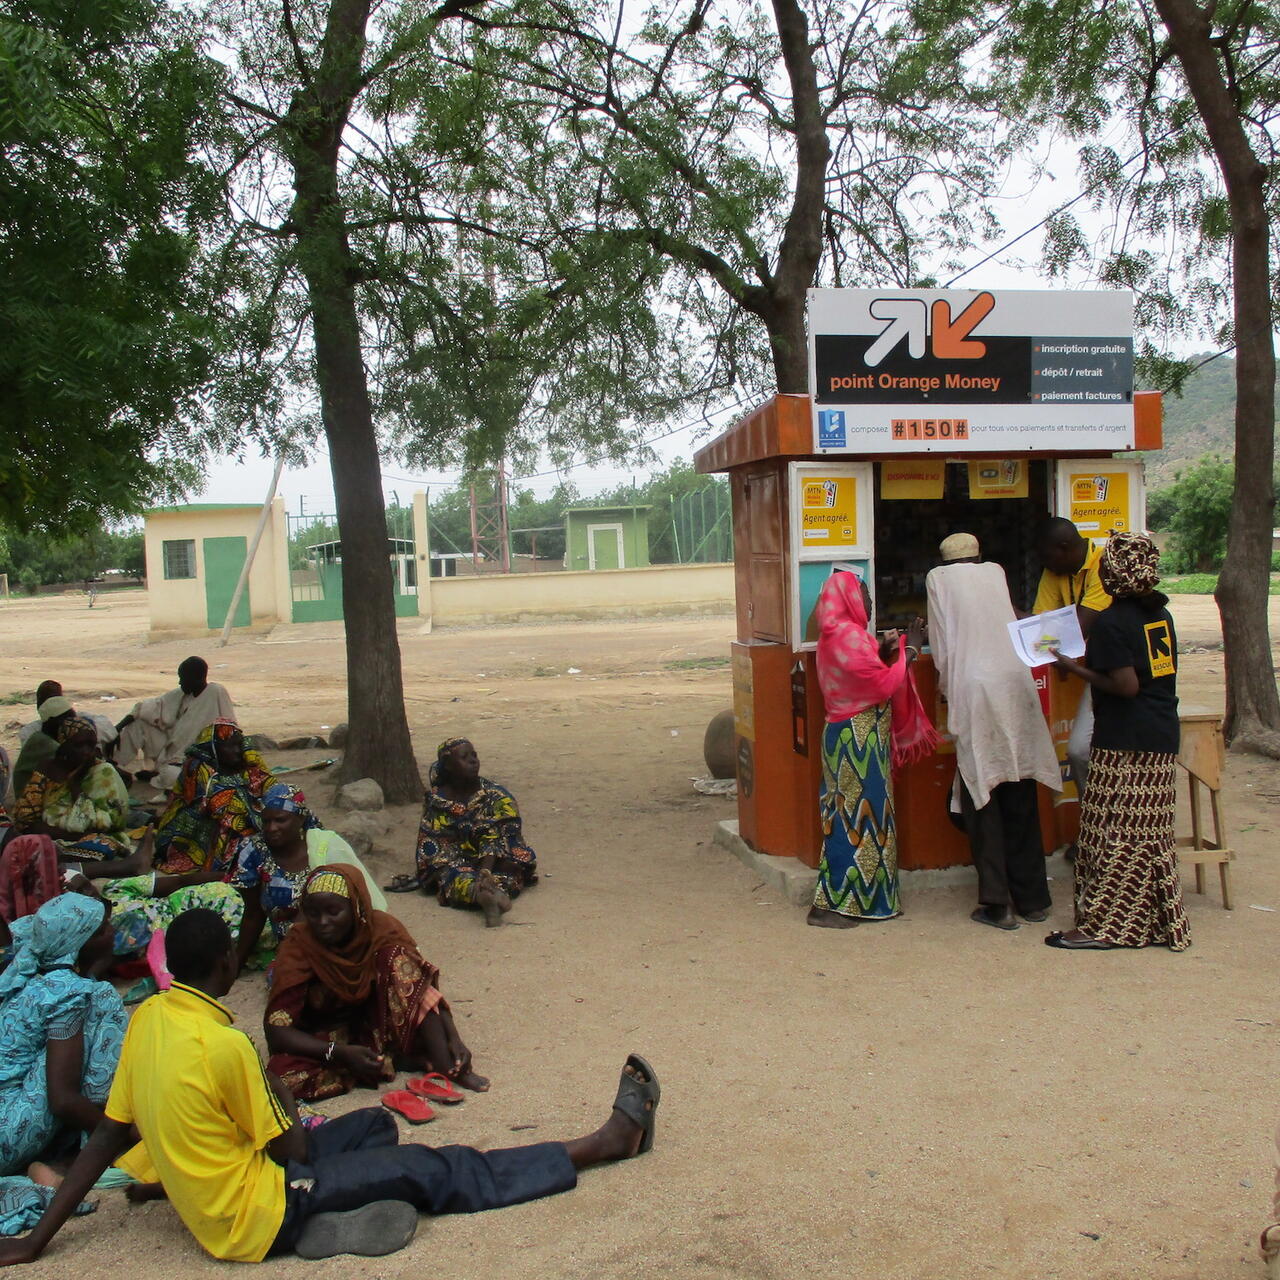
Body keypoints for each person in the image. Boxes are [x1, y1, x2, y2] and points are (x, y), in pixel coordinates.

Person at [0, 907, 660, 1264]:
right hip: (258, 1213)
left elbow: (105, 1138)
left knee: (375, 1125)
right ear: (229, 965)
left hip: (225, 1189)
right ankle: (603, 1145)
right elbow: (288, 1151)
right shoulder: (225, 1044)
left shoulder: (148, 1018)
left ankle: (346, 1202)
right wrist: (280, 1098)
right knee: (433, 1168)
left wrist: (38, 1241)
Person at [1046, 531, 1191, 950]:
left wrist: (1073, 668)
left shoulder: (1113, 621)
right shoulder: (1158, 614)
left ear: (1115, 573)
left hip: (1125, 742)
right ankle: (1156, 922)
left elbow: (1125, 686)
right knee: (1148, 834)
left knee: (1110, 832)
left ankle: (1105, 928)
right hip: (1160, 733)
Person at [926, 533, 1063, 930]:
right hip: (1015, 684)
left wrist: (945, 685)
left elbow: (943, 644)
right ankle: (1034, 900)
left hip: (975, 689)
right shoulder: (996, 571)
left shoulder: (939, 579)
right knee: (1019, 789)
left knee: (982, 796)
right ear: (980, 555)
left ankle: (996, 904)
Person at [264, 865, 484, 1101]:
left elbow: (421, 991)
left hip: (379, 1025)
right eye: (313, 914)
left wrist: (453, 1037)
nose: (323, 922)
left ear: (356, 908)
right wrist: (337, 1052)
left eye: (333, 912)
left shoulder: (381, 929)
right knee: (281, 1080)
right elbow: (277, 1030)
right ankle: (384, 1062)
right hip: (329, 1037)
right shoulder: (299, 946)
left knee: (397, 958)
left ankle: (446, 1063)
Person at [807, 571, 936, 929]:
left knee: (850, 817)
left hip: (845, 738)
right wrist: (911, 650)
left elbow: (863, 674)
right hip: (858, 739)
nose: (869, 601)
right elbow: (881, 683)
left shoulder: (835, 636)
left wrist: (884, 650)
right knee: (858, 820)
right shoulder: (848, 637)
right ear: (848, 598)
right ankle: (837, 906)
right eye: (863, 594)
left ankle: (859, 902)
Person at [0, 895, 124, 1174]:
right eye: (102, 930)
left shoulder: (31, 972)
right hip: (8, 1133)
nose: (112, 931)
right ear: (80, 945)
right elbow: (63, 1100)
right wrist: (124, 1133)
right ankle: (94, 1145)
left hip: (9, 1118)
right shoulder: (66, 994)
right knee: (102, 1001)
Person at [231, 784, 385, 969]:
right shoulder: (255, 851)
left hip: (338, 941)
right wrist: (236, 964)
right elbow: (253, 914)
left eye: (280, 820)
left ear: (300, 818)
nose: (271, 828)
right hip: (291, 950)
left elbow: (357, 905)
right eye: (266, 821)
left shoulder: (326, 847)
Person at [404, 738, 538, 927]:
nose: (473, 760)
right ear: (448, 766)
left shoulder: (497, 797)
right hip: (457, 859)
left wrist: (485, 870)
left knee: (509, 869)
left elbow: (502, 836)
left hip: (497, 859)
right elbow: (433, 844)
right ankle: (486, 894)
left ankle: (482, 891)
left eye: (474, 755)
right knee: (451, 873)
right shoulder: (437, 800)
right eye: (464, 757)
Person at [1034, 517, 1112, 803]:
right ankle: (1094, 828)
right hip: (1095, 674)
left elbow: (1078, 629)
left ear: (1065, 547)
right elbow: (1043, 627)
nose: (1044, 563)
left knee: (1083, 750)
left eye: (1046, 555)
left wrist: (1023, 620)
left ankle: (1101, 829)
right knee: (1080, 751)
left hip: (1116, 672)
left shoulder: (1105, 564)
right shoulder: (1055, 570)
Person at [152, 720, 271, 874]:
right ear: (213, 747)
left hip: (227, 823)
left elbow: (269, 787)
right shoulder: (196, 766)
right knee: (234, 823)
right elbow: (218, 806)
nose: (237, 751)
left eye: (239, 745)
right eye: (230, 746)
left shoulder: (237, 764)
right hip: (189, 834)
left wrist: (250, 755)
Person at [12, 718, 133, 861]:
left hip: (88, 839)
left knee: (104, 846)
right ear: (64, 745)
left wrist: (75, 783)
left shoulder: (102, 772)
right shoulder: (47, 769)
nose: (87, 752)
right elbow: (25, 819)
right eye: (79, 745)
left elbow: (111, 823)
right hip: (53, 838)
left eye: (91, 745)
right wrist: (71, 835)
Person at [114, 657, 235, 789]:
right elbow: (145, 708)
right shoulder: (181, 694)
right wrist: (117, 729)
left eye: (182, 678)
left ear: (196, 678)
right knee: (138, 724)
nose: (180, 682)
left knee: (178, 776)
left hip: (198, 759)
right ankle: (114, 766)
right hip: (170, 750)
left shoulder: (216, 692)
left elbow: (229, 730)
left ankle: (158, 776)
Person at [10, 696, 75, 804]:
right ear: (54, 722)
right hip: (30, 805)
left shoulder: (40, 738)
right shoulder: (47, 745)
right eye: (68, 721)